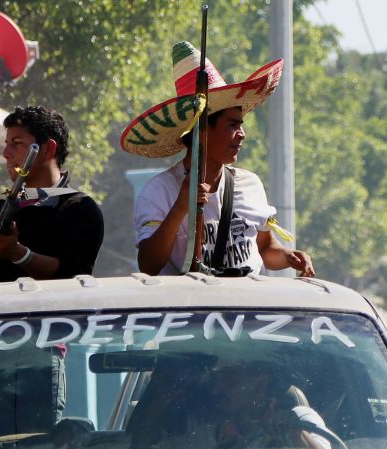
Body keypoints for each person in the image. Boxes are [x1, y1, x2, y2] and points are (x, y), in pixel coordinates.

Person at [121, 41, 315, 277]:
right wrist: (181, 207)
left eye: (240, 125)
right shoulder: (159, 191)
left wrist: (289, 256)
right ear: (201, 130)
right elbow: (149, 265)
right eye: (233, 125)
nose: (242, 134)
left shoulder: (250, 184)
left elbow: (265, 248)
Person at [0, 105, 104, 286]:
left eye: (16, 143)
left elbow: (73, 277)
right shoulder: (1, 210)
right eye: (7, 144)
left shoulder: (79, 209)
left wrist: (17, 253)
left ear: (48, 149)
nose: (6, 154)